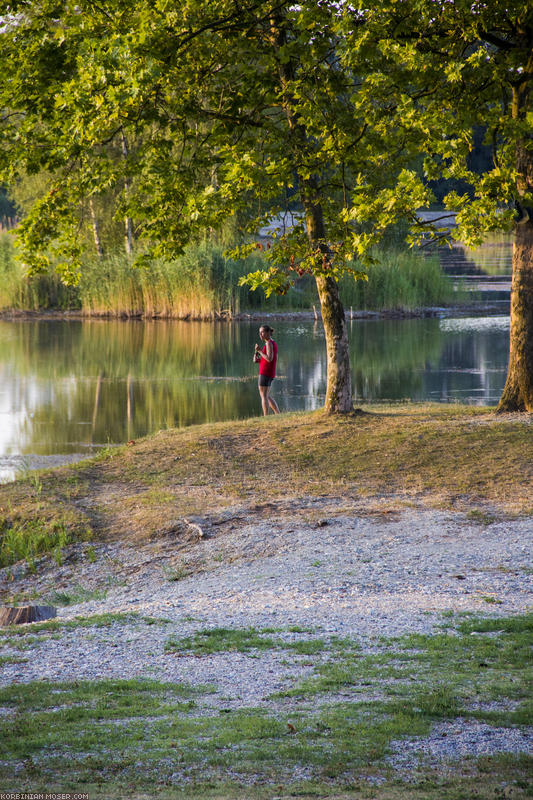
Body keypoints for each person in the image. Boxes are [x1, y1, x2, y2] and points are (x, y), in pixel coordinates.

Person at [254, 324, 280, 415]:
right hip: (269, 372)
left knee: (263, 396)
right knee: (266, 396)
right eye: (259, 333)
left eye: (262, 332)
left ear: (268, 332)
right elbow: (266, 359)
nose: (260, 335)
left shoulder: (269, 343)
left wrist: (260, 351)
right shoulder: (272, 343)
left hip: (265, 373)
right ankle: (277, 413)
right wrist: (258, 357)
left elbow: (269, 358)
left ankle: (266, 416)